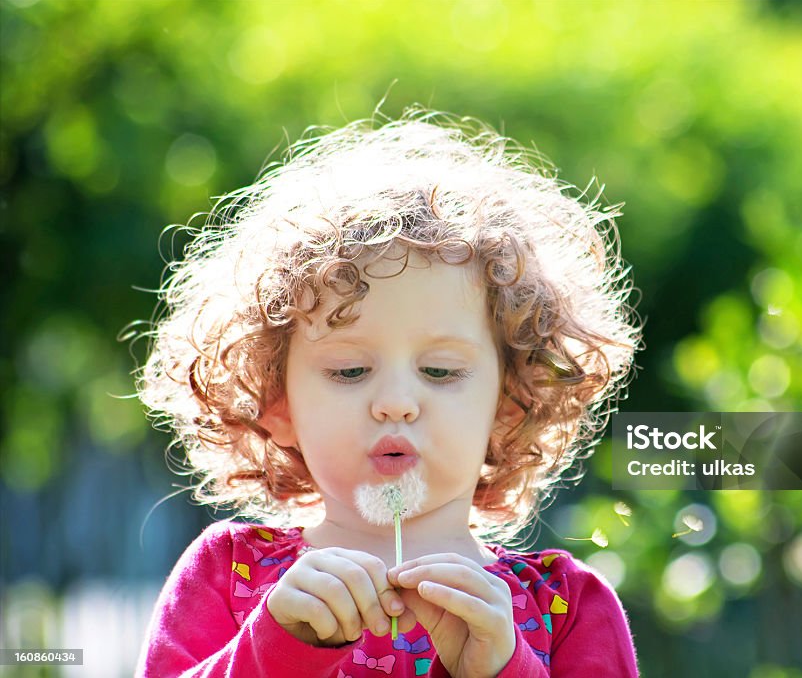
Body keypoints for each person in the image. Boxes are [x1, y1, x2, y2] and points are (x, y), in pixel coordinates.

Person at [134, 107, 642, 677]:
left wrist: (507, 667)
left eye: (443, 372)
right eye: (350, 371)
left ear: (509, 407)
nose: (396, 401)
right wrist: (275, 648)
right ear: (276, 405)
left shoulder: (567, 608)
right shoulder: (230, 575)